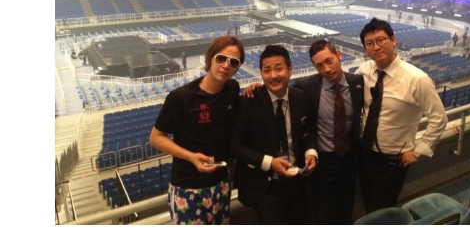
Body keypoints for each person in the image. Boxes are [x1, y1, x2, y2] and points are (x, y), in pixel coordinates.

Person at [149, 36, 245, 225]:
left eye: (234, 62)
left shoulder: (232, 89)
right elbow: (156, 137)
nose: (226, 65)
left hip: (221, 183)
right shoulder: (181, 97)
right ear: (210, 58)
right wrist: (191, 157)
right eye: (221, 58)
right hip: (188, 187)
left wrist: (255, 89)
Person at [355, 18, 448, 214]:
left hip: (392, 161)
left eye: (381, 40)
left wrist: (419, 150)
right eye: (370, 43)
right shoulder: (364, 70)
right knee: (368, 203)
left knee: (381, 212)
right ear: (365, 49)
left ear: (393, 40)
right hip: (364, 154)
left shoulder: (417, 79)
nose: (376, 47)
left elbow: (439, 118)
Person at [230, 44, 318, 225]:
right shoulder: (248, 101)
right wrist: (270, 162)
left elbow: (310, 131)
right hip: (265, 187)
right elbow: (234, 145)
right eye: (267, 70)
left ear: (290, 69)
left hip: (299, 182)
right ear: (261, 73)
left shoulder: (302, 97)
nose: (273, 75)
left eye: (279, 68)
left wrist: (311, 152)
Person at [293, 40, 364, 224]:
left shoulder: (358, 83)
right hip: (322, 161)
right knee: (322, 212)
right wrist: (257, 88)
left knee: (346, 208)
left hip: (349, 159)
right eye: (319, 66)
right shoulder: (306, 86)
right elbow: (281, 92)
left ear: (339, 55)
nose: (326, 69)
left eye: (329, 61)